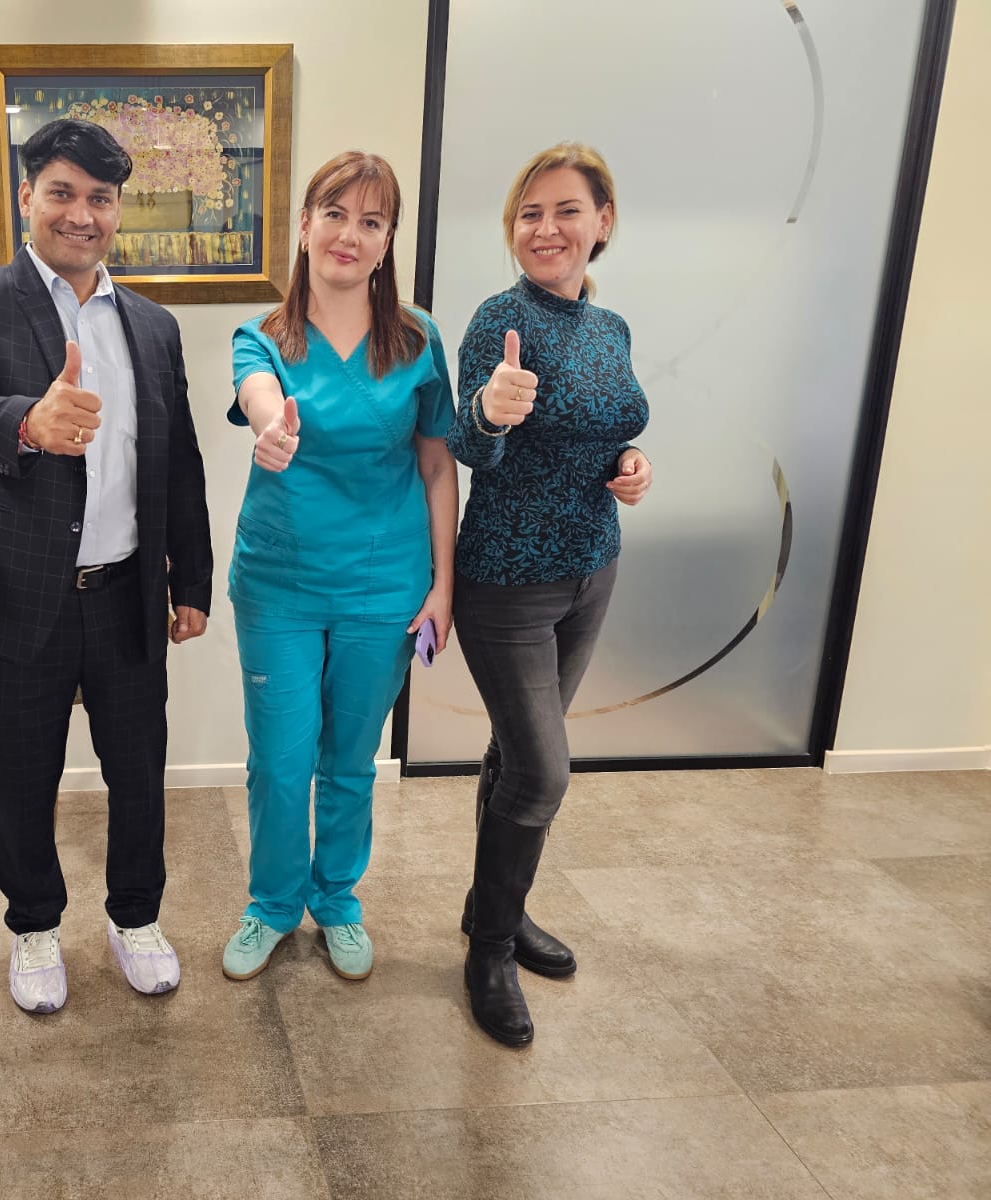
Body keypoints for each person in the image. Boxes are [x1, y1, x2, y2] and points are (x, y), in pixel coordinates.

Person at [0, 118, 213, 1015]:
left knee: (139, 771)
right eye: (62, 193)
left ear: (118, 209)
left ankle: (135, 917)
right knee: (23, 774)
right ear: (27, 197)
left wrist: (193, 580)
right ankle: (34, 926)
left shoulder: (152, 326)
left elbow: (179, 458)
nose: (81, 214)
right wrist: (27, 421)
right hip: (19, 592)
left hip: (127, 591)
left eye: (100, 198)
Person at [220, 151, 458, 984]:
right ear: (304, 226)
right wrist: (271, 429)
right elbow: (258, 394)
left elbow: (438, 465)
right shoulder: (264, 337)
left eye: (371, 220)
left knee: (350, 759)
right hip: (279, 584)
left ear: (388, 241)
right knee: (281, 762)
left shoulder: (417, 339)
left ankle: (337, 900)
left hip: (383, 584)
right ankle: (272, 904)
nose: (349, 235)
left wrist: (443, 587)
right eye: (335, 214)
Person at [447, 142, 652, 1046]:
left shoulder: (611, 329)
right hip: (507, 580)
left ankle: (494, 907)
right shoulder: (501, 320)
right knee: (541, 772)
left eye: (566, 210)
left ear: (601, 222)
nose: (546, 228)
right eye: (530, 213)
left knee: (515, 754)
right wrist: (491, 412)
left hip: (592, 568)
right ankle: (489, 951)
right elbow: (467, 444)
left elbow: (606, 430)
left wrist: (630, 463)